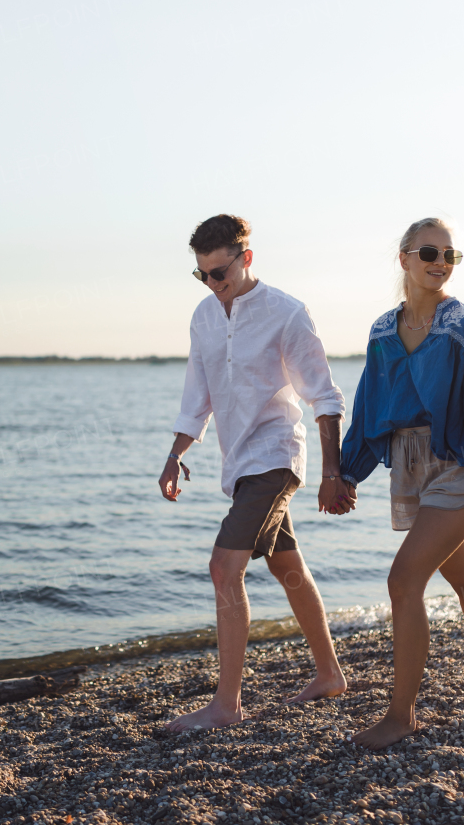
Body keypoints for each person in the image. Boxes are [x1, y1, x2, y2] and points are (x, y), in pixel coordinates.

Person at [336, 217, 464, 750]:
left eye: (449, 254)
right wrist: (346, 472)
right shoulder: (381, 331)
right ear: (404, 259)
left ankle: (402, 716)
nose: (440, 262)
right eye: (429, 252)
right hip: (409, 465)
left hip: (459, 464)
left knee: (403, 581)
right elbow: (370, 407)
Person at [159, 213, 353, 731]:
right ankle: (330, 674)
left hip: (276, 456)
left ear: (246, 259)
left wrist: (332, 472)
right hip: (239, 463)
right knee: (286, 565)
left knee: (225, 568)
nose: (214, 284)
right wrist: (175, 455)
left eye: (220, 272)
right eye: (203, 275)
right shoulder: (202, 317)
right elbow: (196, 397)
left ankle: (226, 705)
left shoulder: (286, 313)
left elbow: (324, 395)